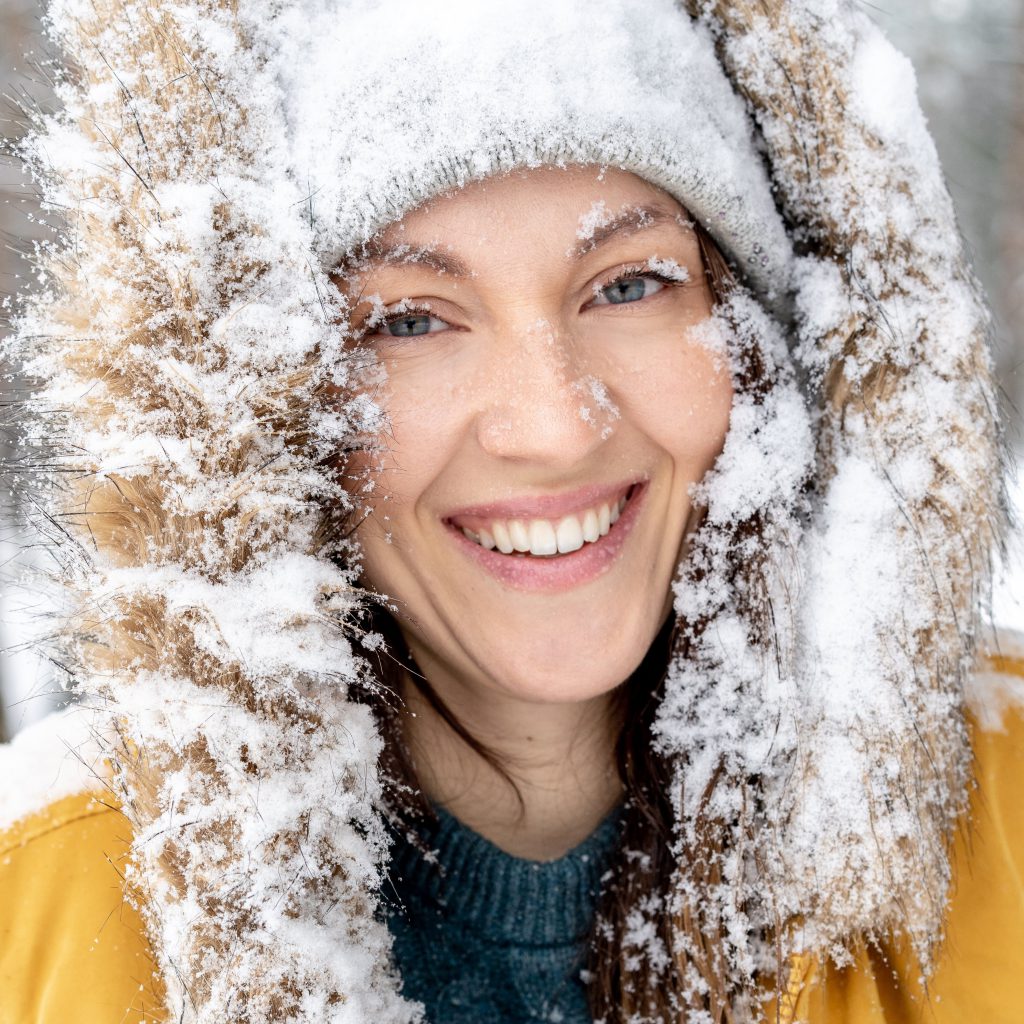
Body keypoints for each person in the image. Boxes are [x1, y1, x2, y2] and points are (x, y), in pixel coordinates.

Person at [0, 1, 1020, 1023]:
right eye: (406, 320)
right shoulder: (37, 903)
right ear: (256, 421)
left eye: (627, 286)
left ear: (758, 338)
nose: (557, 427)